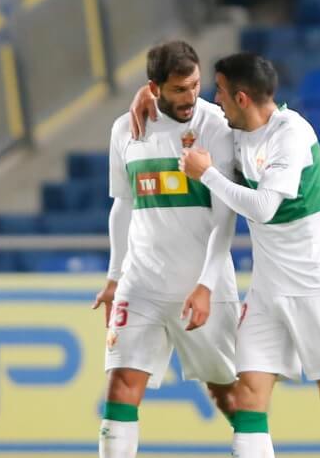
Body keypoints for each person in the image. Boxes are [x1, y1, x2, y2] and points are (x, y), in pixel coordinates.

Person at [129, 52, 320, 457]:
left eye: (221, 92)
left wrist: (206, 174)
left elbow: (263, 207)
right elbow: (188, 106)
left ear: (241, 97)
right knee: (248, 398)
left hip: (314, 286)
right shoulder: (234, 128)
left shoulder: (292, 135)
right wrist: (148, 93)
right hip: (266, 290)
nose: (215, 99)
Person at [92, 41, 240, 458]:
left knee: (229, 395)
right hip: (141, 283)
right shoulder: (125, 129)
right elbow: (122, 204)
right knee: (121, 385)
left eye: (195, 86)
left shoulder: (216, 126)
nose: (191, 97)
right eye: (179, 89)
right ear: (153, 87)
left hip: (200, 284)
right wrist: (115, 275)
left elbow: (225, 217)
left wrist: (207, 285)